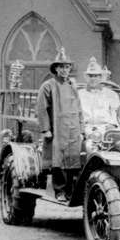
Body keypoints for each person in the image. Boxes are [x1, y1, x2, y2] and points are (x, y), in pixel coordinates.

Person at [35, 47, 83, 202]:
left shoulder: (72, 85)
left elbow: (79, 108)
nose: (64, 70)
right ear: (56, 68)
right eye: (61, 67)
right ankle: (60, 191)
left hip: (73, 128)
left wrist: (81, 128)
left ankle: (70, 191)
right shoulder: (48, 86)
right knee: (59, 159)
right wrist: (46, 129)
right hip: (58, 127)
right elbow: (42, 108)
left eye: (67, 67)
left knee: (73, 159)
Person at [78, 56, 120, 138]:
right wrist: (81, 127)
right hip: (85, 128)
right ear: (86, 77)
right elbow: (75, 113)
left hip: (106, 129)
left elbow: (115, 112)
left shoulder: (111, 94)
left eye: (96, 76)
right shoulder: (79, 94)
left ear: (101, 77)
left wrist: (113, 124)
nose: (93, 79)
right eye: (90, 76)